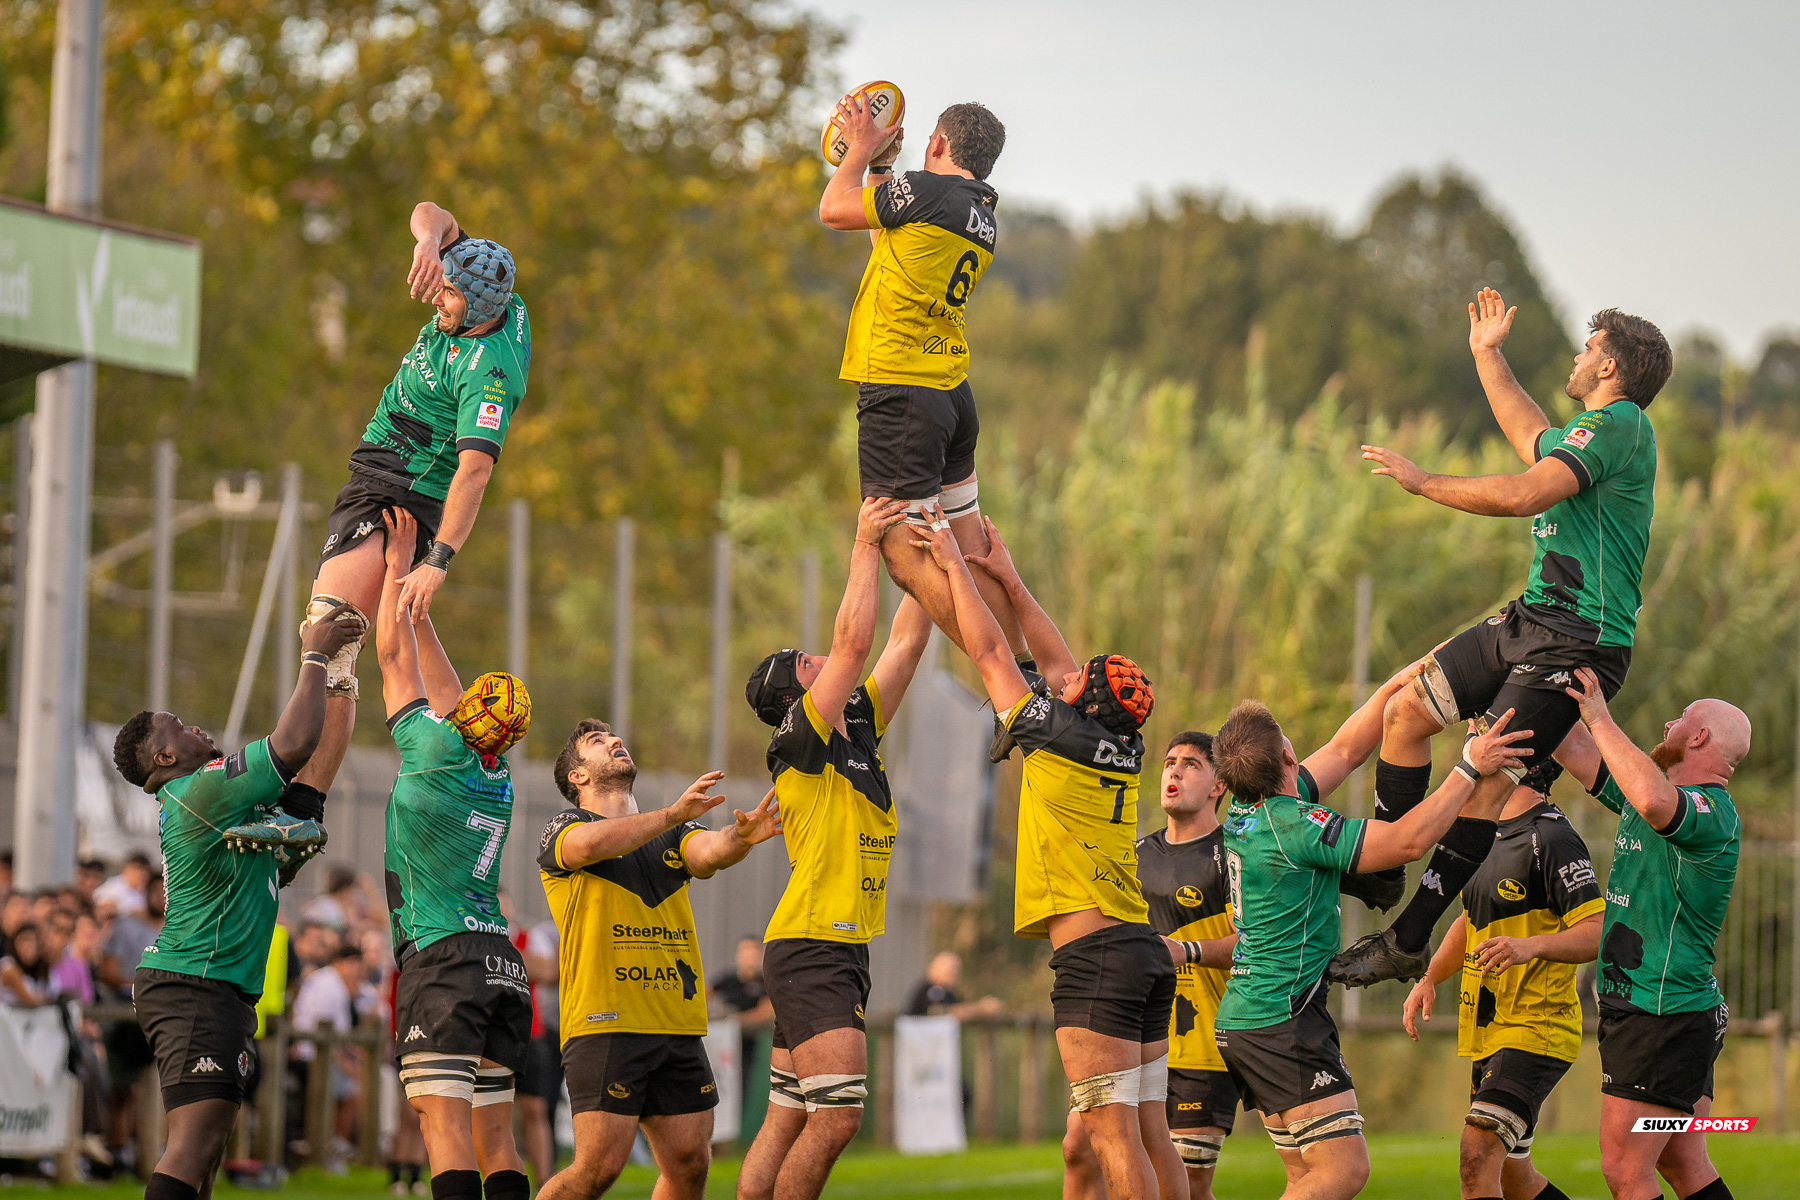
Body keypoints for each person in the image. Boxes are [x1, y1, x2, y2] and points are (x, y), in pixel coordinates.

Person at [1333, 292, 1670, 987]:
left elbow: (1525, 492)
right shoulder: (1593, 432)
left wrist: (1425, 482)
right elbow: (1530, 434)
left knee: (1489, 782)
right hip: (1529, 620)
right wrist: (1487, 353)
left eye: (1587, 349)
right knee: (1404, 712)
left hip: (1579, 642)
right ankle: (1389, 861)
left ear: (1608, 365)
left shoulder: (1623, 423)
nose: (1577, 358)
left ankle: (1406, 940)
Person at [225, 202, 531, 859]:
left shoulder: (490, 373)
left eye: (446, 294)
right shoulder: (488, 280)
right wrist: (428, 240)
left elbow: (474, 473)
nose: (435, 300)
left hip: (404, 495)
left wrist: (436, 557)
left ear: (478, 309)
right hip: (371, 477)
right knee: (340, 636)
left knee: (332, 635)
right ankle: (301, 806)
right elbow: (434, 213)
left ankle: (301, 807)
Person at [912, 511, 1178, 1200]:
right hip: (1141, 949)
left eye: (1074, 682)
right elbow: (1058, 666)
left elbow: (994, 656)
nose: (1063, 678)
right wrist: (1009, 576)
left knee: (1113, 1136)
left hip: (1096, 961)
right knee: (1151, 1133)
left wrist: (951, 564)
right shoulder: (1120, 744)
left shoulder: (1058, 735)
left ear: (1080, 703)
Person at [1206, 682, 1531, 1200]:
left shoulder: (1249, 815)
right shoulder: (1295, 826)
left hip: (1252, 1017)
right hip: (1280, 1020)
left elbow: (1345, 748)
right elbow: (1408, 841)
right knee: (1344, 1171)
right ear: (1288, 755)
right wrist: (1467, 767)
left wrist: (1427, 676)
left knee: (1307, 1177)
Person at [107, 599, 362, 1200]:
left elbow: (310, 785)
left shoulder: (224, 805)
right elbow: (295, 742)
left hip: (209, 987)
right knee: (192, 1149)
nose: (194, 727)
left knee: (206, 1156)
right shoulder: (200, 789)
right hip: (195, 984)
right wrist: (315, 654)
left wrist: (343, 675)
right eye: (179, 727)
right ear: (165, 758)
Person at [737, 497, 931, 1200]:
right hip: (815, 944)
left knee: (788, 1117)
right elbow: (853, 646)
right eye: (805, 662)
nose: (822, 656)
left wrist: (940, 550)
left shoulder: (857, 726)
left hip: (833, 945)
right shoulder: (798, 738)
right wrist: (864, 543)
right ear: (793, 696)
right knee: (838, 1118)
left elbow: (905, 644)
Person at [816, 94, 1029, 692]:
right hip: (951, 396)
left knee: (902, 552)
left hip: (901, 393)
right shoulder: (981, 214)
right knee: (969, 547)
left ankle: (1012, 685)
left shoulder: (929, 191)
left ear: (937, 144)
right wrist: (883, 168)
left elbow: (834, 209)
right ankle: (1028, 667)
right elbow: (895, 242)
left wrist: (859, 147)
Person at [536, 721, 781, 1200]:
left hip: (676, 1022)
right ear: (578, 778)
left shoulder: (673, 832)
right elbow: (590, 847)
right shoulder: (566, 827)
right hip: (606, 1021)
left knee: (690, 1163)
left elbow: (709, 852)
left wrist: (742, 835)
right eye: (596, 742)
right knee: (598, 1168)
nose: (614, 741)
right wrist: (670, 814)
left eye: (613, 735)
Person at [375, 508, 534, 1200]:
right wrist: (421, 607)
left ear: (467, 716)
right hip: (501, 960)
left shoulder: (437, 750)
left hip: (442, 956)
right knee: (497, 1137)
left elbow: (389, 660)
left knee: (444, 1128)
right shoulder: (495, 770)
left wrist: (392, 576)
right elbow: (444, 686)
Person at [1550, 671, 1746, 1200]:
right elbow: (1573, 748)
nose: (1669, 722)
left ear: (1700, 737)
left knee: (1622, 1169)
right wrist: (1530, 686)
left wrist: (1601, 716)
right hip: (1659, 1012)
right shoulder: (1652, 793)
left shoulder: (1709, 811)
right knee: (1683, 1163)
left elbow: (1658, 804)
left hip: (1663, 1016)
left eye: (1682, 716)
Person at [1401, 759, 1601, 1200]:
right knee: (1515, 1178)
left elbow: (1597, 930)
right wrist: (1429, 977)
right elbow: (1471, 920)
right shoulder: (1480, 833)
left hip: (1536, 1028)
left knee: (1477, 1153)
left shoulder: (1550, 837)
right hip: (1490, 1031)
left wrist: (1529, 946)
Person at [1065, 730, 1243, 1200]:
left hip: (1201, 1044)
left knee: (1186, 1180)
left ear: (1217, 785)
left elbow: (1258, 943)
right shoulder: (1134, 855)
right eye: (1169, 763)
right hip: (1126, 1036)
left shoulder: (1234, 856)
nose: (1175, 771)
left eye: (1190, 764)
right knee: (1078, 1151)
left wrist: (1188, 950)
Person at [709, 936, 775, 1115]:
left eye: (753, 954)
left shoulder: (765, 983)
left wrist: (734, 1022)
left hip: (747, 1048)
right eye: (746, 954)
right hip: (721, 1050)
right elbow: (702, 996)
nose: (749, 959)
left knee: (739, 1095)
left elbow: (766, 1013)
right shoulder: (727, 980)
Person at [901, 951, 1002, 1020]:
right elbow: (941, 1013)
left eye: (956, 971)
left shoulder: (949, 993)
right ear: (935, 969)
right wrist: (980, 1008)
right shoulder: (931, 989)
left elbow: (960, 1006)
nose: (954, 974)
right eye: (949, 972)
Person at [94, 853, 153, 918]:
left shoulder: (145, 891)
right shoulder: (113, 886)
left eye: (146, 870)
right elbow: (98, 906)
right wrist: (131, 912)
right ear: (126, 868)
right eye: (138, 869)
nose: (142, 874)